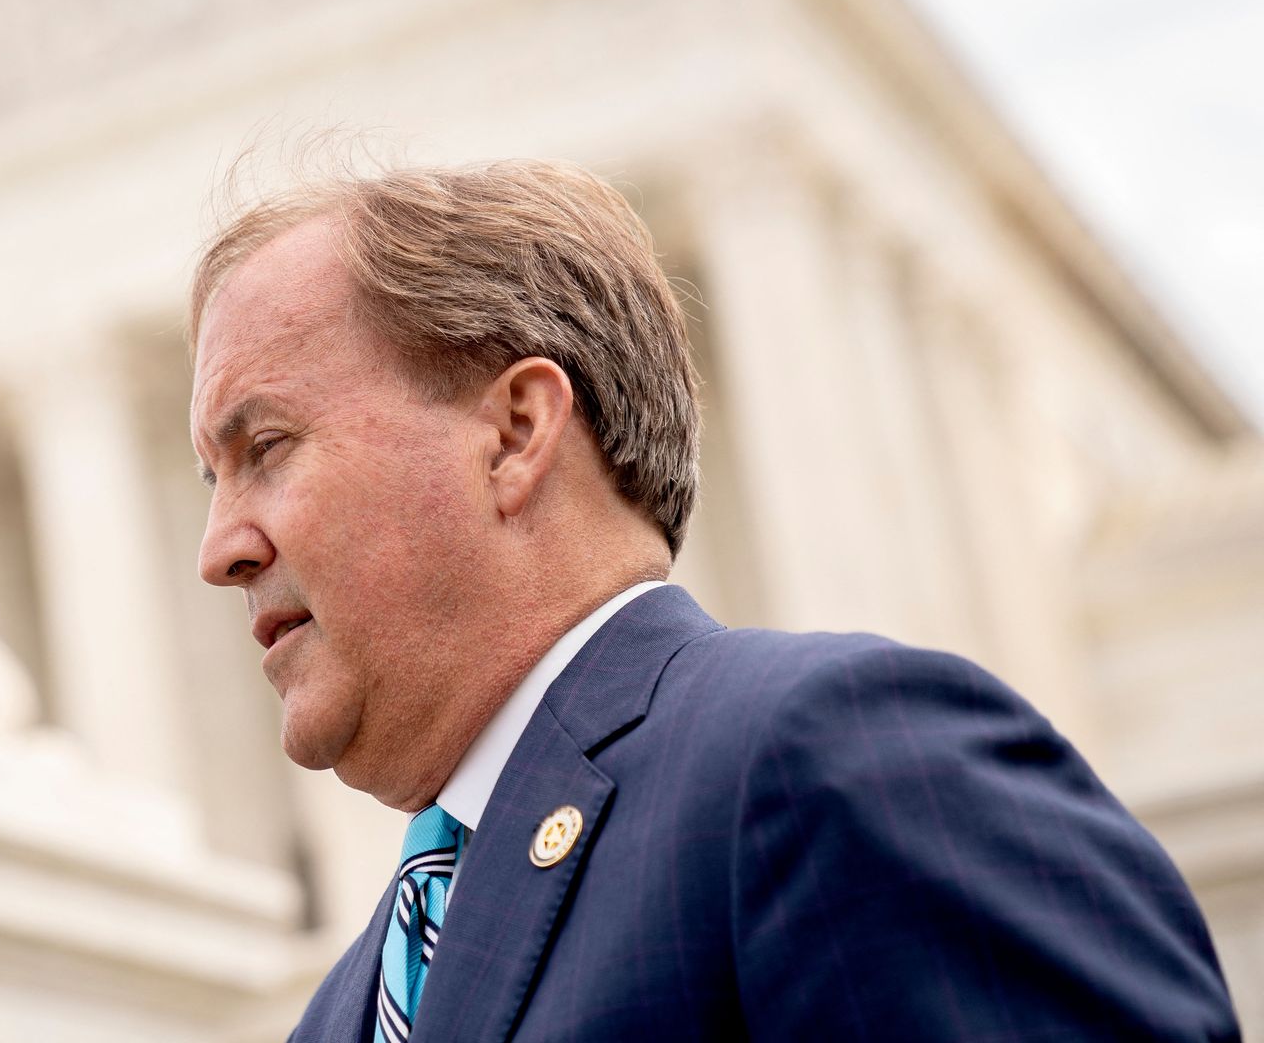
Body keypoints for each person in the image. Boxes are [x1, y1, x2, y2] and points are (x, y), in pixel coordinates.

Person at [187, 160, 1239, 1042]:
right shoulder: (346, 1006)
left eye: (266, 449)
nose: (218, 549)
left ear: (514, 434)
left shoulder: (839, 760)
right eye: (211, 481)